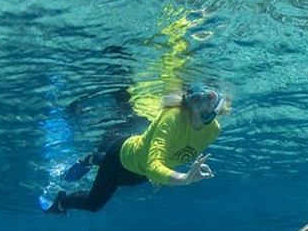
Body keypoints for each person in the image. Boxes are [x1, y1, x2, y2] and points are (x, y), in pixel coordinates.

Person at [42, 85, 228, 214]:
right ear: (187, 104)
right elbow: (153, 163)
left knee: (116, 184)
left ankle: (95, 159)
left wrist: (164, 175)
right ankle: (60, 202)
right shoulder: (172, 118)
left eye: (210, 98)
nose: (204, 106)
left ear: (218, 101)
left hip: (140, 174)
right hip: (119, 160)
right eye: (197, 100)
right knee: (93, 205)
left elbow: (178, 150)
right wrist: (183, 178)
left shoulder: (214, 130)